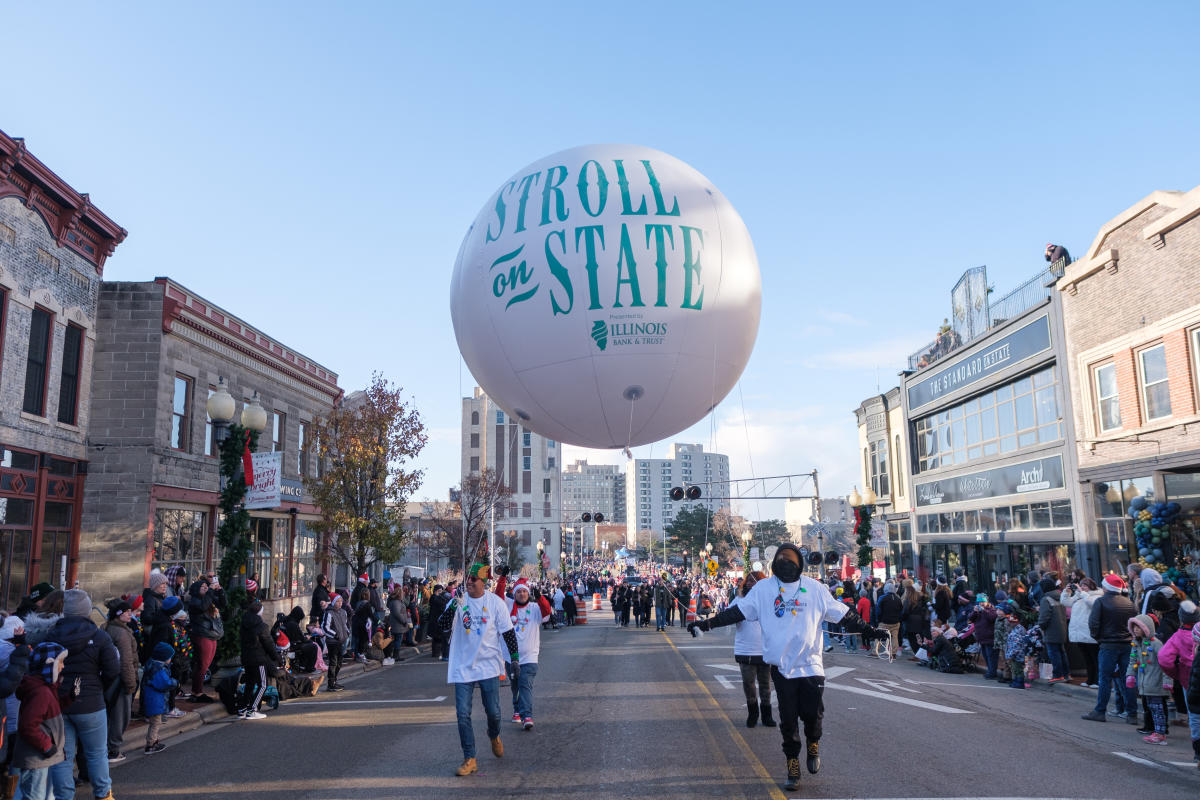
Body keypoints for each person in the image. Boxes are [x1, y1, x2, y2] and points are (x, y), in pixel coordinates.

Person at [687, 543, 886, 790]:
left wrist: (872, 631)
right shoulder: (763, 589)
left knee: (813, 716)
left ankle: (813, 743)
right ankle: (793, 764)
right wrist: (705, 625)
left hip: (811, 665)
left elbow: (844, 615)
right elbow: (736, 612)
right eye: (781, 559)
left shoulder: (815, 589)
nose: (785, 563)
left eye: (790, 559)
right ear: (774, 564)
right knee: (788, 720)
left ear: (799, 563)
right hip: (781, 668)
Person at [437, 562, 519, 777]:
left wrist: (516, 659)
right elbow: (442, 625)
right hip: (463, 666)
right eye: (468, 579)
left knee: (493, 712)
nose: (470, 582)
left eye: (474, 579)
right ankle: (470, 758)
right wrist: (454, 605)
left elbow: (508, 633)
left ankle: (494, 735)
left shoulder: (495, 603)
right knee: (463, 714)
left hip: (488, 666)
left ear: (484, 582)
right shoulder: (459, 602)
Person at [47, 589, 119, 800]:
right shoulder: (99, 637)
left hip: (58, 703)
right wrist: (99, 687)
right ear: (87, 610)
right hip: (91, 701)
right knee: (97, 753)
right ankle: (103, 795)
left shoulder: (50, 635)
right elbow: (113, 670)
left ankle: (64, 797)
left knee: (63, 755)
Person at [15, 642, 74, 800]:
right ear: (49, 664)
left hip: (40, 756)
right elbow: (28, 726)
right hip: (37, 756)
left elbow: (50, 710)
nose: (63, 666)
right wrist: (47, 746)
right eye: (60, 662)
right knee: (35, 796)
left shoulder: (46, 689)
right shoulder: (41, 692)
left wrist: (70, 698)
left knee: (42, 795)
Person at [1082, 574, 1136, 722]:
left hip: (1108, 644)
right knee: (1127, 679)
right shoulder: (1129, 603)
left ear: (1107, 587)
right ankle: (1132, 713)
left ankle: (1100, 711)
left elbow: (1093, 624)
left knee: (1104, 679)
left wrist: (1099, 638)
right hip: (1126, 644)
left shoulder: (1101, 602)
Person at [731, 571, 775, 728]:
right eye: (748, 581)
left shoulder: (769, 600)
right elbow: (728, 616)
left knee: (766, 686)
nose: (750, 583)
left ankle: (767, 716)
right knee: (748, 684)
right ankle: (753, 714)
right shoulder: (739, 600)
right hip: (746, 650)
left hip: (764, 650)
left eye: (754, 581)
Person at [504, 578, 548, 730]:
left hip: (530, 657)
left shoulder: (535, 607)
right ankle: (517, 709)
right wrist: (502, 577)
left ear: (528, 593)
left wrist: (541, 598)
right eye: (519, 592)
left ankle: (527, 715)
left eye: (524, 591)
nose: (522, 594)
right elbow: (497, 595)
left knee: (525, 685)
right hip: (510, 656)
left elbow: (547, 613)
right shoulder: (508, 606)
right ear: (514, 594)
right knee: (515, 686)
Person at [103, 601, 138, 763]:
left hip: (108, 679)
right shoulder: (122, 634)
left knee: (109, 715)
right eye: (127, 611)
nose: (130, 614)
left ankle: (107, 747)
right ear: (118, 614)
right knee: (120, 716)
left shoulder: (107, 628)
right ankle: (113, 750)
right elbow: (126, 661)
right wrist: (131, 683)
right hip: (120, 680)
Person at [1127, 614, 1170, 744]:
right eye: (1134, 627)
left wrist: (1168, 681)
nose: (1135, 630)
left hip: (1156, 683)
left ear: (1146, 628)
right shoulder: (1137, 644)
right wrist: (1130, 675)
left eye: (1138, 627)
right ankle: (1156, 731)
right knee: (1152, 708)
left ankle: (1160, 733)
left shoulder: (1156, 644)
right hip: (1145, 683)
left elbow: (1165, 662)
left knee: (1158, 710)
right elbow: (1133, 660)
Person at [239, 598, 281, 720]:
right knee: (263, 684)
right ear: (259, 612)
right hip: (258, 658)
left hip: (246, 657)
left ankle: (243, 708)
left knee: (250, 684)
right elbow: (268, 644)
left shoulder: (244, 623)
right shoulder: (261, 626)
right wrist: (276, 657)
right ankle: (252, 709)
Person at [1063, 578, 1102, 687]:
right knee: (1087, 659)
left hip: (1089, 632)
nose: (1082, 587)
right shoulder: (1079, 596)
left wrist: (1083, 593)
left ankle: (1097, 680)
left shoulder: (1096, 596)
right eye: (1081, 585)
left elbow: (1092, 604)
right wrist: (1066, 593)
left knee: (1094, 658)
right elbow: (1065, 602)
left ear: (1091, 586)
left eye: (1085, 585)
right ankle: (1089, 679)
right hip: (1079, 633)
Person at [141, 641, 176, 754]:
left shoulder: (152, 665)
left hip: (152, 700)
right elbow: (164, 683)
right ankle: (151, 744)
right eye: (170, 657)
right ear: (164, 658)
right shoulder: (158, 669)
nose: (171, 659)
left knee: (155, 722)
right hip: (155, 701)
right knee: (155, 723)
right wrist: (175, 683)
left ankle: (154, 741)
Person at [1036, 577, 1069, 683]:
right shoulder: (1060, 596)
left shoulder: (1046, 599)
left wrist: (1042, 626)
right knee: (1061, 652)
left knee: (1054, 653)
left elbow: (1044, 617)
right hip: (1062, 629)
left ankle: (1057, 675)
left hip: (1051, 631)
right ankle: (1066, 674)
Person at [321, 593, 349, 692]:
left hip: (342, 640)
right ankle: (330, 683)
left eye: (341, 601)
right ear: (333, 602)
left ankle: (335, 680)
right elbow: (325, 628)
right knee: (333, 662)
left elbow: (344, 625)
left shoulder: (343, 612)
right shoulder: (328, 613)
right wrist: (335, 635)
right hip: (332, 641)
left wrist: (347, 633)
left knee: (339, 662)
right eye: (337, 601)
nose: (340, 603)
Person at [968, 594, 998, 678]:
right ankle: (990, 671)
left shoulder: (992, 609)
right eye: (980, 602)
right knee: (985, 656)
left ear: (987, 602)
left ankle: (992, 673)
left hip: (990, 638)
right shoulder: (977, 610)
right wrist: (975, 611)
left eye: (983, 602)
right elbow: (970, 618)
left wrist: (984, 610)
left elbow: (992, 618)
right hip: (981, 638)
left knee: (991, 656)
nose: (981, 604)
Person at [428, 585, 451, 661]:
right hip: (435, 619)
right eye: (440, 590)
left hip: (437, 618)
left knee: (438, 636)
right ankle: (436, 652)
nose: (441, 592)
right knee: (436, 636)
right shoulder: (434, 597)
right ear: (437, 590)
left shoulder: (437, 597)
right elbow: (442, 604)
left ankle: (437, 652)